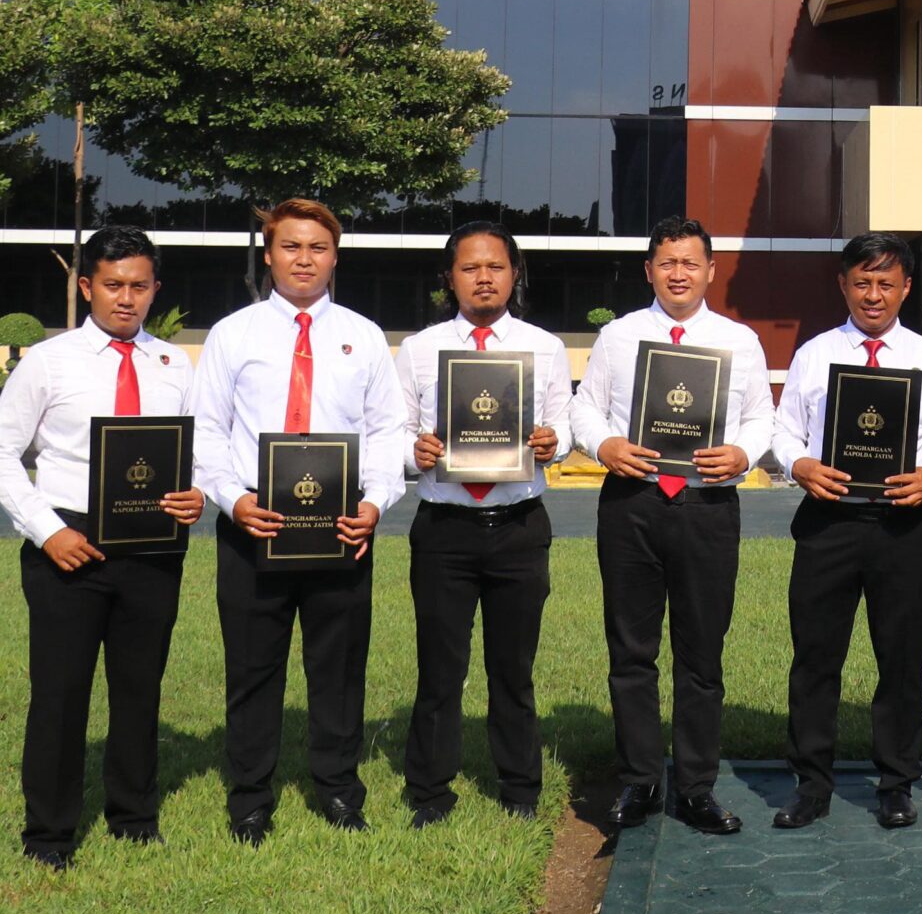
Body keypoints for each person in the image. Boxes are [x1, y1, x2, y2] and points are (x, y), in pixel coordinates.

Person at [0, 227, 201, 868]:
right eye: (112, 285)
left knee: (140, 689)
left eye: (139, 286)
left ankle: (134, 819)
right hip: (67, 543)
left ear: (155, 288)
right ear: (86, 287)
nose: (126, 299)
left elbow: (193, 453)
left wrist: (196, 494)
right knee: (60, 692)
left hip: (154, 546)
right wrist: (48, 531)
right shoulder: (49, 361)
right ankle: (48, 835)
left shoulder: (172, 364)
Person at [191, 198, 411, 843]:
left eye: (317, 247)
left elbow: (384, 431)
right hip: (253, 526)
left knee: (338, 669)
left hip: (341, 527)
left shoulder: (364, 335)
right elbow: (208, 430)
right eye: (291, 246)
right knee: (254, 669)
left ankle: (339, 791)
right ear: (269, 254)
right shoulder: (234, 333)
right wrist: (234, 500)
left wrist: (374, 504)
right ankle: (250, 799)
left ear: (334, 256)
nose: (304, 259)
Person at [573, 215, 774, 836]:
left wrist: (743, 452)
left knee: (701, 655)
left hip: (707, 509)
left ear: (710, 270)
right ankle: (638, 780)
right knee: (631, 651)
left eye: (690, 262)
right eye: (667, 263)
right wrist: (603, 444)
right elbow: (587, 406)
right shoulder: (620, 336)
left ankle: (695, 787)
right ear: (649, 271)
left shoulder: (739, 339)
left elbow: (761, 417)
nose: (679, 273)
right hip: (631, 504)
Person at [774, 234, 922, 831]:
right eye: (863, 282)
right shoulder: (814, 353)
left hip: (903, 525)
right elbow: (784, 433)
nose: (874, 295)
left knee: (902, 659)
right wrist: (798, 465)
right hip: (828, 523)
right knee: (815, 658)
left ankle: (896, 782)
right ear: (843, 285)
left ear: (907, 288)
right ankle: (812, 784)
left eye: (887, 283)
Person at [396, 222, 572, 830]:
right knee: (440, 669)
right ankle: (429, 793)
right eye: (470, 268)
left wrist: (554, 442)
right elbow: (396, 429)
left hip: (519, 524)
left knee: (512, 668)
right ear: (450, 278)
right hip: (444, 526)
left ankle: (520, 789)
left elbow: (563, 426)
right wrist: (411, 451)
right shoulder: (418, 349)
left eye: (495, 266)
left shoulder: (543, 347)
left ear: (514, 274)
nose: (483, 277)